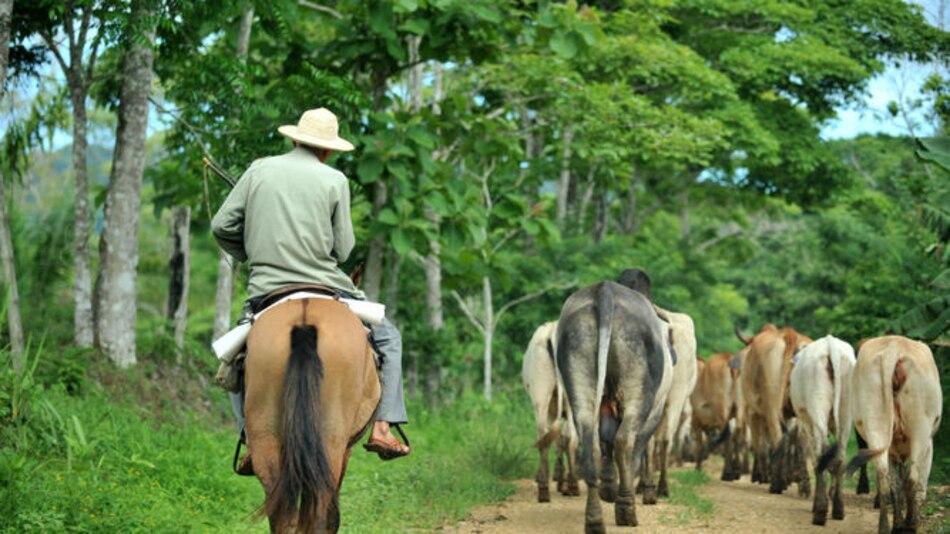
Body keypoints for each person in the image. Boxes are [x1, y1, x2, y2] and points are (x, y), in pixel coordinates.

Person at [211, 107, 411, 470]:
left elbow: (222, 226)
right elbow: (344, 249)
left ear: (294, 138)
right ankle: (382, 426)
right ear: (328, 149)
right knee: (389, 339)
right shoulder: (335, 180)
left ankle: (251, 439)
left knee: (237, 356)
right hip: (326, 285)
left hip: (267, 289)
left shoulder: (258, 170)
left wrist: (252, 253)